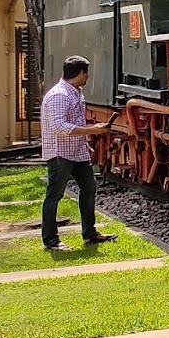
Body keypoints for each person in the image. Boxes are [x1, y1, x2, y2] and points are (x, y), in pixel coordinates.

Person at [40, 56, 116, 251]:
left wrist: (85, 141)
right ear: (81, 73)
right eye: (86, 73)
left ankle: (90, 234)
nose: (88, 77)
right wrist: (92, 130)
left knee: (89, 188)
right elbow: (58, 126)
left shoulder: (75, 93)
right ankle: (51, 240)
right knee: (54, 195)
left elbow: (74, 122)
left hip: (77, 152)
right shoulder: (60, 95)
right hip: (60, 153)